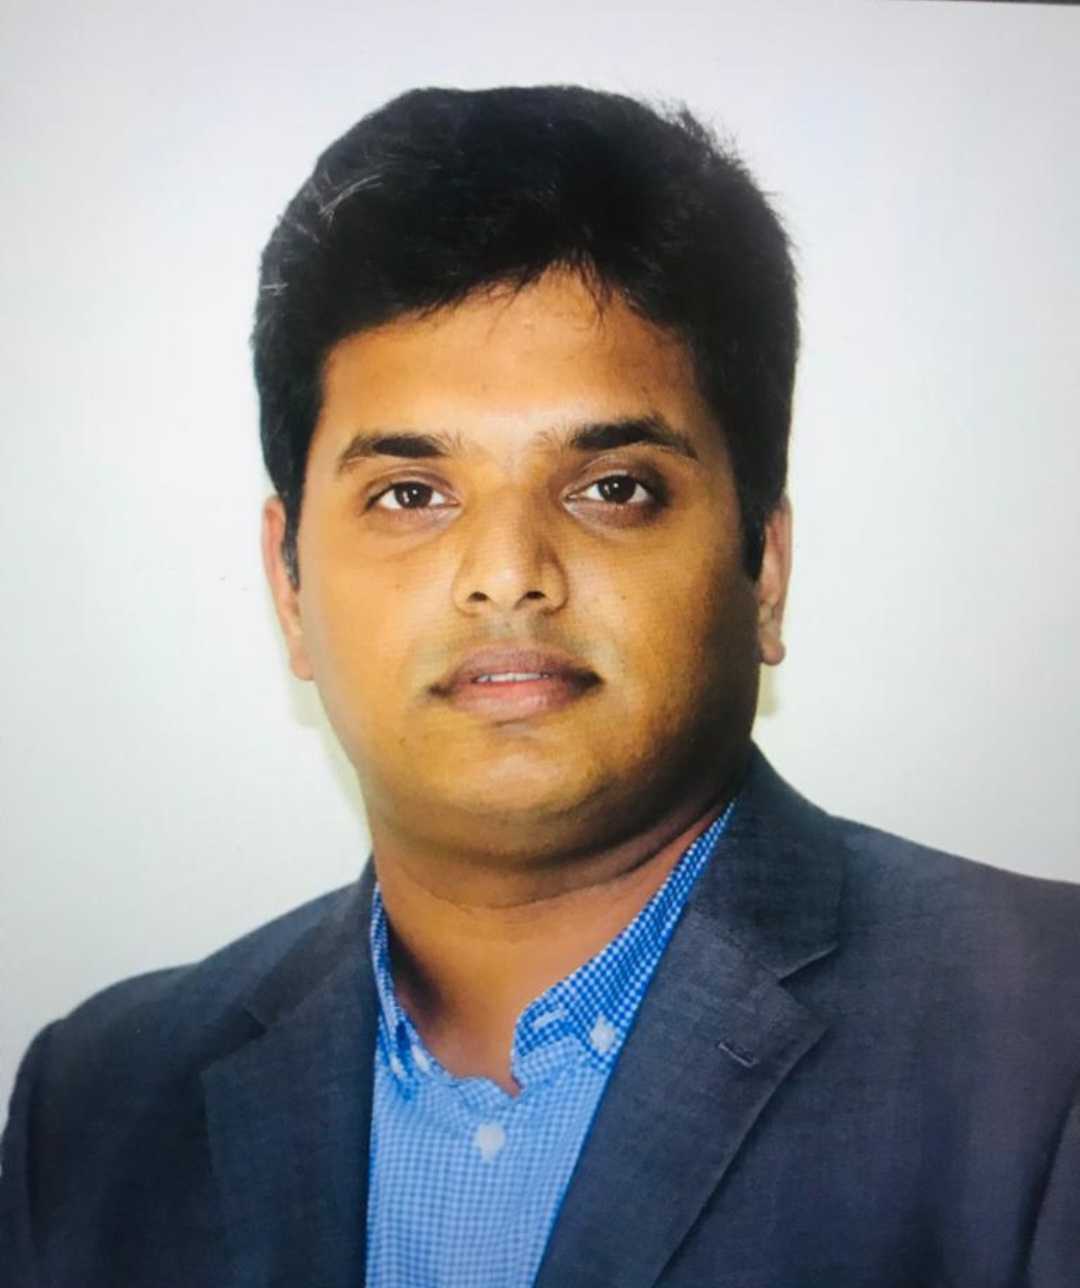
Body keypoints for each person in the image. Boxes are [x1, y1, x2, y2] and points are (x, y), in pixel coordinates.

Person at [2, 84, 1077, 1288]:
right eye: (412, 494)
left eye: (612, 487)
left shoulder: (1048, 1039)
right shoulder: (91, 1108)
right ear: (290, 583)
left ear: (762, 570)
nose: (508, 574)